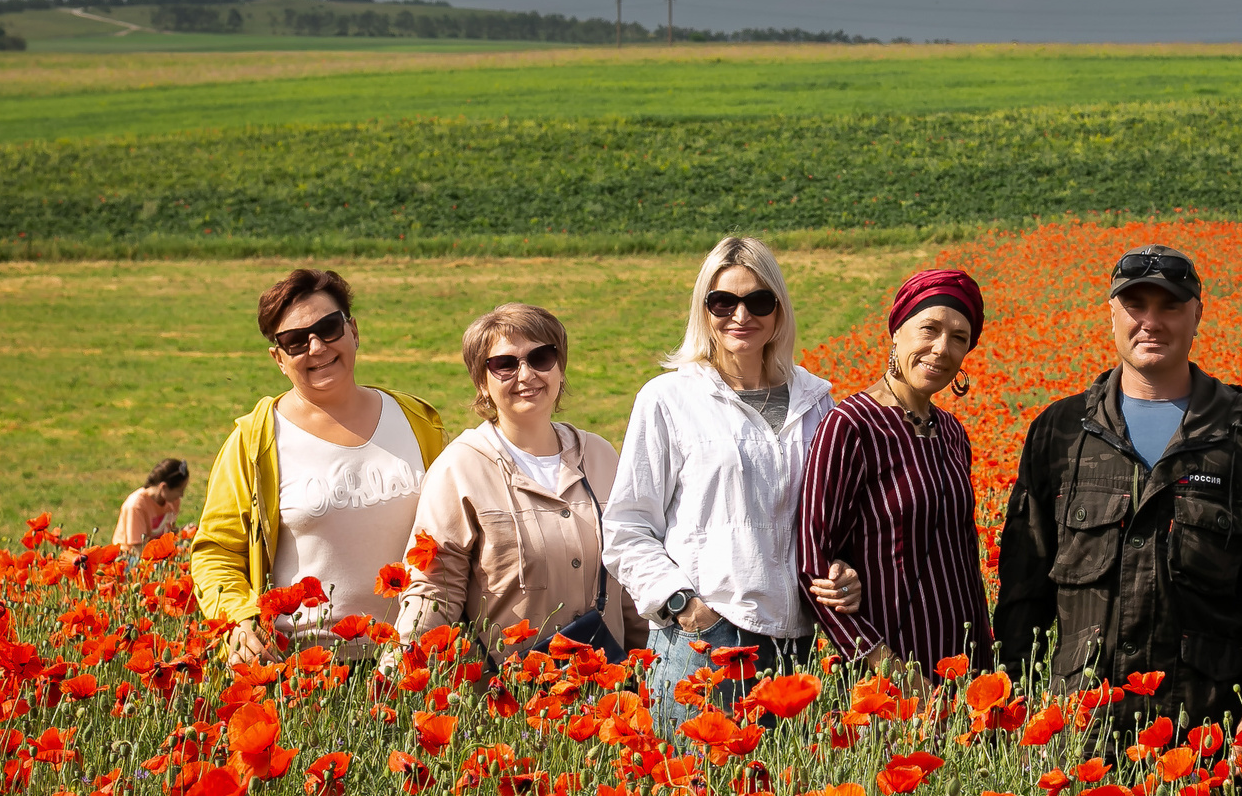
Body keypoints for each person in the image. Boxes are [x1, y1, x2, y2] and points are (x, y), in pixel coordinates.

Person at [993, 244, 1242, 734]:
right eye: (1135, 305)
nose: (1151, 321)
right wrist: (1015, 704)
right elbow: (1023, 588)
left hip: (1205, 732)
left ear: (1197, 315)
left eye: (1170, 306)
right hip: (1081, 732)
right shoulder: (1062, 432)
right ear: (1112, 313)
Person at [604, 236, 847, 725]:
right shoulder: (669, 399)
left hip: (797, 644)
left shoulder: (816, 401)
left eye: (758, 301)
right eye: (723, 302)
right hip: (703, 641)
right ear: (704, 308)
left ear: (779, 309)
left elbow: (832, 516)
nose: (741, 315)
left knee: (781, 775)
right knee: (694, 774)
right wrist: (684, 605)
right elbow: (627, 528)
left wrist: (844, 569)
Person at [188, 268, 448, 664]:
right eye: (295, 341)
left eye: (328, 328)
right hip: (304, 669)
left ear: (353, 331)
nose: (316, 347)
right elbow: (217, 552)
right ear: (278, 358)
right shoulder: (255, 441)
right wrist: (239, 620)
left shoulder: (418, 421)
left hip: (411, 660)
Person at [396, 304, 645, 663]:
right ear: (482, 383)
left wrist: (653, 670)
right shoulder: (460, 468)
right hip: (509, 691)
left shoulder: (600, 456)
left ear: (560, 369)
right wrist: (400, 672)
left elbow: (631, 577)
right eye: (505, 364)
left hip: (603, 685)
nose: (526, 375)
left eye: (541, 357)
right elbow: (434, 589)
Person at [797, 268, 994, 678]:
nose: (942, 349)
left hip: (966, 666)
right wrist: (893, 672)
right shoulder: (851, 425)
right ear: (897, 332)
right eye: (929, 329)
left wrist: (985, 669)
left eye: (959, 338)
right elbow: (814, 567)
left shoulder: (952, 432)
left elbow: (962, 557)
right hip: (893, 672)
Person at [114, 458, 189, 552]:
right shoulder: (136, 506)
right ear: (163, 487)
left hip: (157, 552)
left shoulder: (173, 501)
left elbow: (169, 533)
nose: (182, 495)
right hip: (130, 555)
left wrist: (184, 532)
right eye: (179, 490)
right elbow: (138, 548)